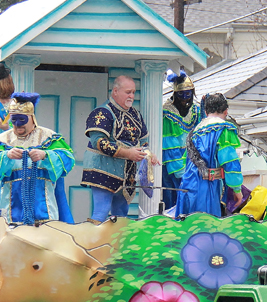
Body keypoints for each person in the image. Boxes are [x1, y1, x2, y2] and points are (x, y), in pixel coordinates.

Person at [0, 93, 75, 225]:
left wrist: (45, 155)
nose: (18, 125)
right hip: (11, 211)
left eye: (22, 120)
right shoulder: (2, 141)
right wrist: (6, 156)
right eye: (14, 121)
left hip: (45, 209)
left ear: (32, 118)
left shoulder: (49, 138)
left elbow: (68, 160)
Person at [82, 75, 156, 222]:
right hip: (103, 170)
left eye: (134, 92)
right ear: (115, 91)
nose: (132, 96)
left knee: (121, 215)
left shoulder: (135, 114)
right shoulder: (102, 113)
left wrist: (148, 154)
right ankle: (95, 244)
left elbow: (143, 141)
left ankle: (117, 245)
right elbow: (99, 142)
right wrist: (128, 153)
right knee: (101, 213)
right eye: (128, 92)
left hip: (126, 174)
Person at [176, 93, 243, 217]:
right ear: (226, 111)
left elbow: (184, 164)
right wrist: (237, 189)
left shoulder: (194, 133)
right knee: (207, 231)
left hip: (187, 187)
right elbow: (230, 162)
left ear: (206, 112)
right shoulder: (223, 129)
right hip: (207, 188)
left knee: (188, 231)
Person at [162, 70, 203, 209]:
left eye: (188, 94)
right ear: (175, 94)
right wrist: (181, 170)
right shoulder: (166, 112)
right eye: (181, 94)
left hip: (192, 164)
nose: (185, 98)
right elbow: (169, 143)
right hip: (171, 164)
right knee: (172, 201)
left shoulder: (197, 111)